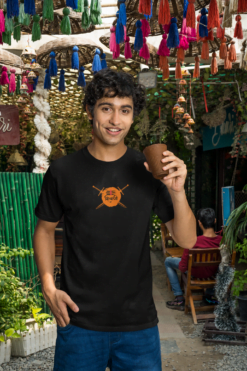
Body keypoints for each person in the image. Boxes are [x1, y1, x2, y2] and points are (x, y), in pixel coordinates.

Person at [33, 68, 197, 371]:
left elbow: (186, 240)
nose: (115, 120)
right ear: (89, 110)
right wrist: (48, 286)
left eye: (125, 110)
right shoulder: (63, 171)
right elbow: (44, 230)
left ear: (132, 116)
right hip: (79, 320)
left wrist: (177, 192)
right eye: (106, 108)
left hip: (138, 325)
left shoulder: (148, 169)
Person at [165, 208, 222, 311]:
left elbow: (182, 268)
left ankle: (179, 298)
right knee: (218, 267)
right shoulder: (222, 242)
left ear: (199, 222)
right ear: (215, 221)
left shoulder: (192, 242)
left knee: (168, 261)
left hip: (195, 273)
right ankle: (208, 297)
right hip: (212, 274)